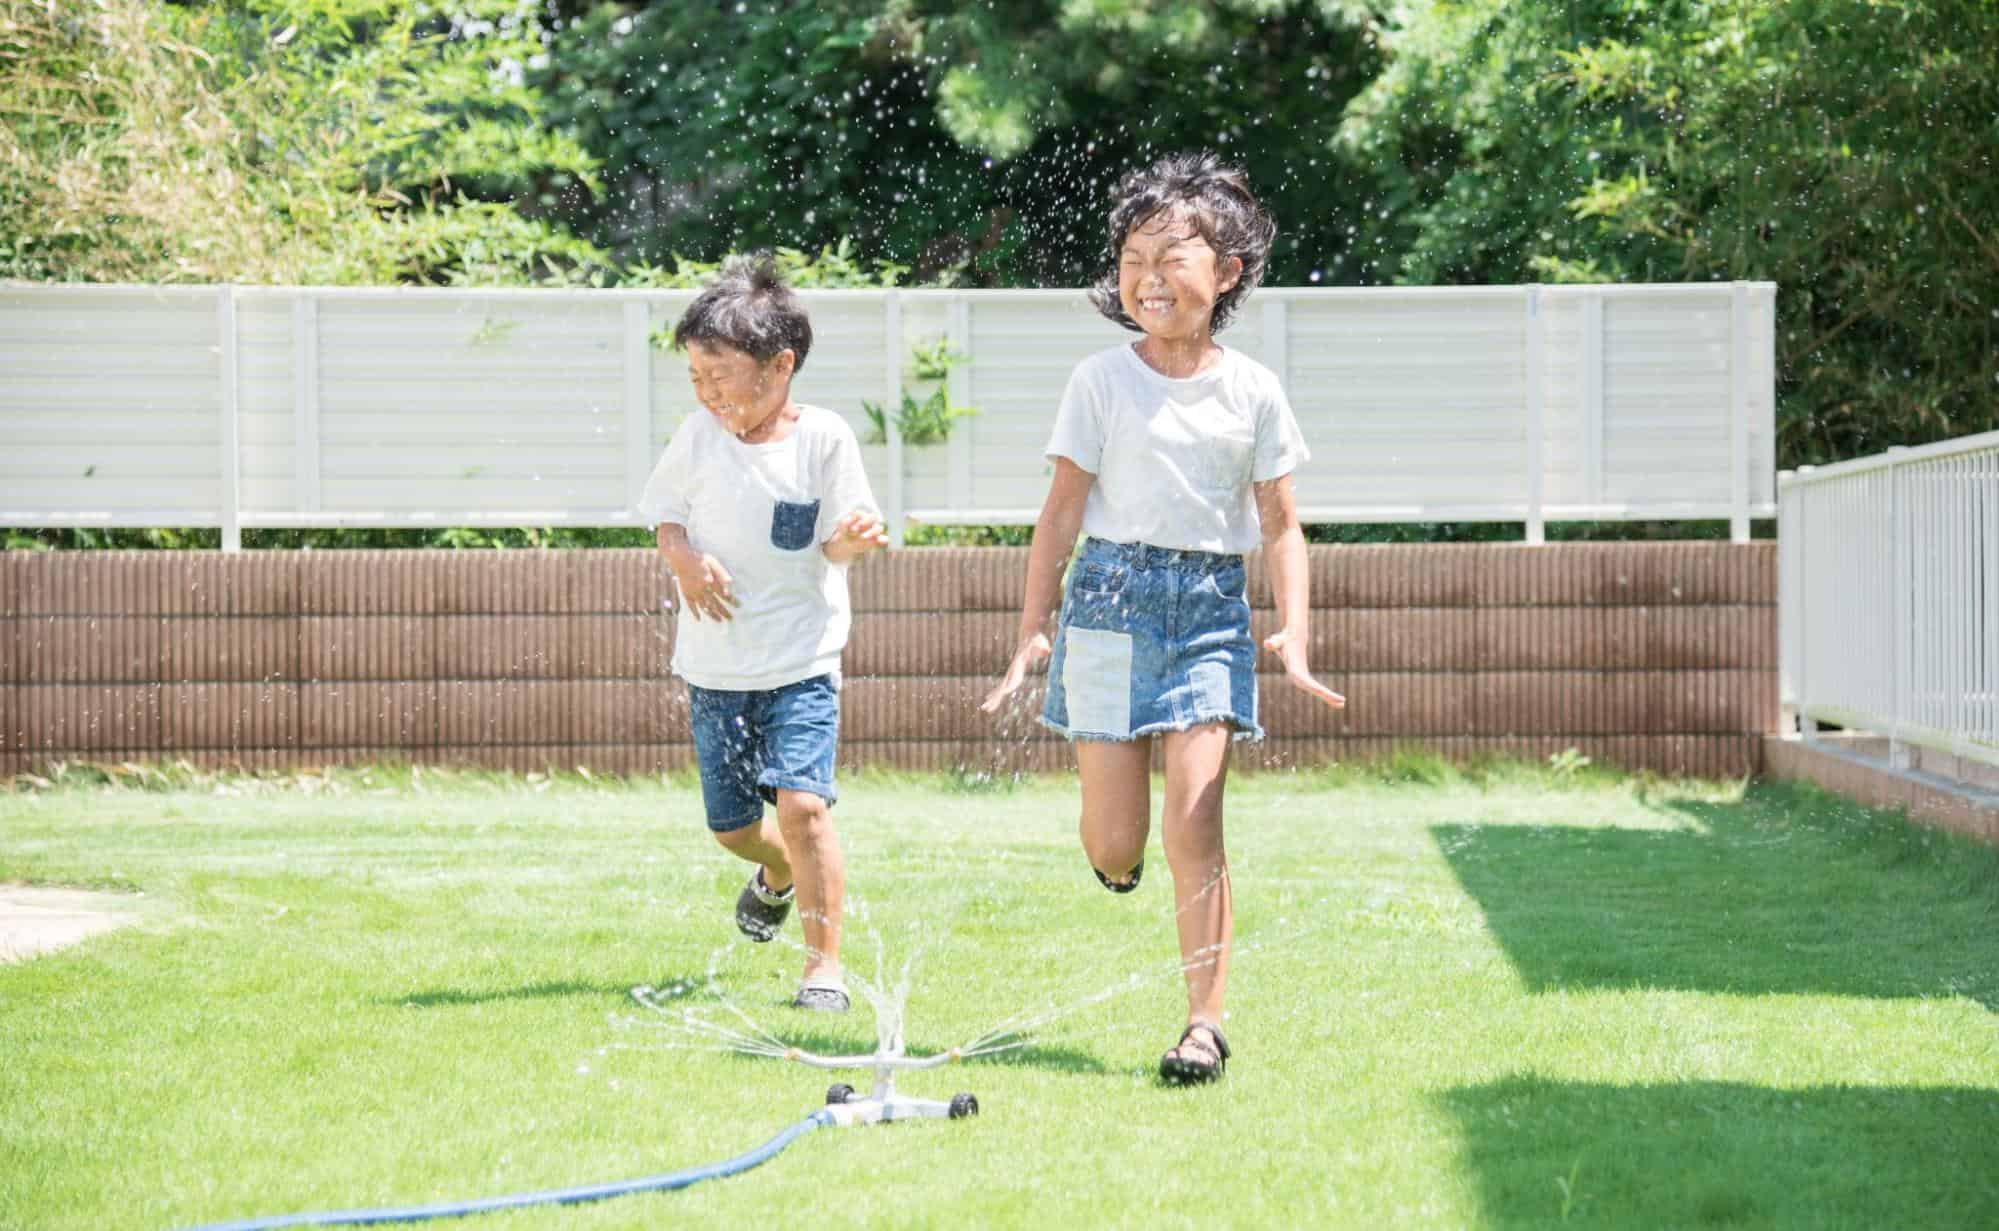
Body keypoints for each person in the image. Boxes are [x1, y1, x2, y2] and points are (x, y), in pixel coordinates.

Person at [982, 153, 1346, 1082]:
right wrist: (1033, 624)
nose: (1147, 276)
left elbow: (1281, 522)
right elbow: (1060, 512)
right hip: (1103, 603)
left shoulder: (1253, 389)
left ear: (1224, 273)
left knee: (1197, 816)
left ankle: (1202, 1024)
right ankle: (1116, 860)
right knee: (1114, 843)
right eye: (1133, 256)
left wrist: (1293, 630)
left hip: (1208, 611)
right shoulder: (1102, 380)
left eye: (1171, 257)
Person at [639, 254, 888, 1013]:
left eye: (718, 373)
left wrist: (854, 536)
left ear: (779, 366)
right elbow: (666, 518)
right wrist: (682, 562)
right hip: (716, 667)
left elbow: (839, 544)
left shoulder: (824, 440)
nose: (705, 390)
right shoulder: (696, 436)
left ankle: (823, 968)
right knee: (735, 829)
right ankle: (774, 873)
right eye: (694, 375)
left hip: (802, 657)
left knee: (804, 806)